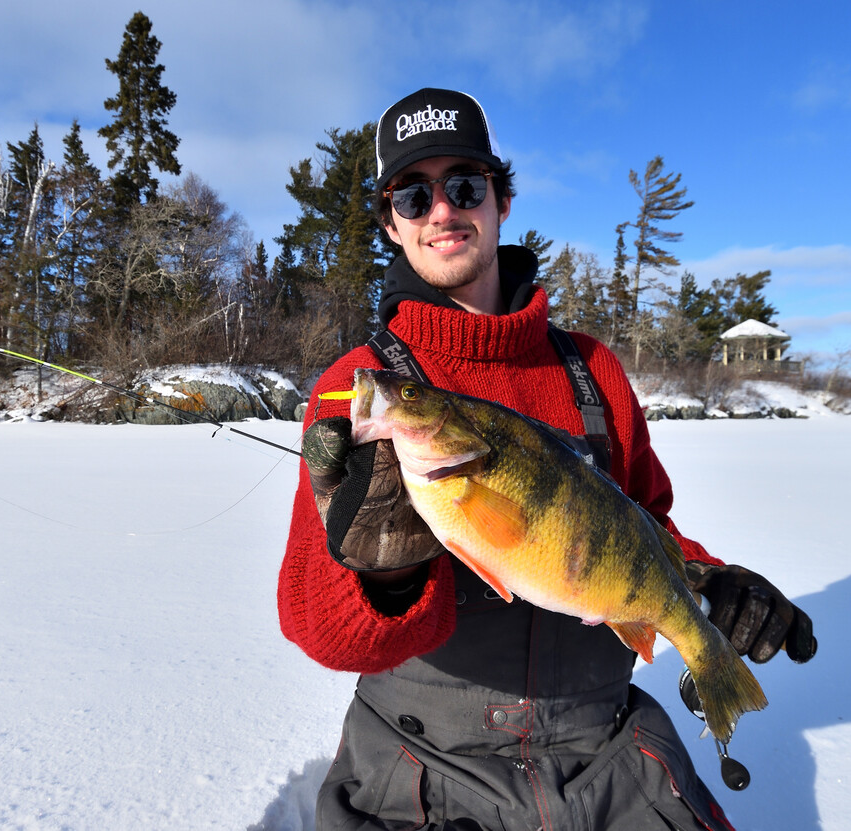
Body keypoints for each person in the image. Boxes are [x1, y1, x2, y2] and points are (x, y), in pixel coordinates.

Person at [278, 88, 815, 831]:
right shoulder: (353, 386)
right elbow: (319, 628)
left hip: (607, 750)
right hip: (425, 764)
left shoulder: (594, 370)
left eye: (465, 185)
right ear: (391, 223)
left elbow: (638, 522)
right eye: (413, 194)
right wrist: (389, 577)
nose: (442, 210)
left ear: (500, 200)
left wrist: (709, 581)